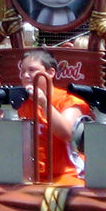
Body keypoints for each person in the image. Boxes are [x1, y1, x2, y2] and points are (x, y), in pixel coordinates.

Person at [11, 49, 86, 186]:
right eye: (22, 71)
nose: (25, 75)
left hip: (65, 176)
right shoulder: (19, 103)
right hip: (27, 177)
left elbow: (66, 133)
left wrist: (44, 103)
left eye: (31, 70)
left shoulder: (69, 101)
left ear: (50, 73)